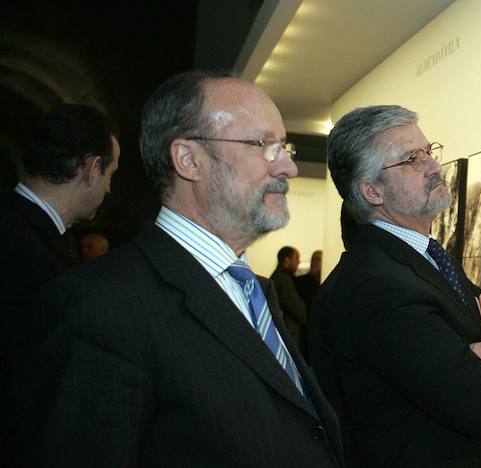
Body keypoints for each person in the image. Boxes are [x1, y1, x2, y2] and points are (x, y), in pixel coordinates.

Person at [33, 70, 343, 466]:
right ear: (188, 159)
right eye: (264, 144)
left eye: (285, 147)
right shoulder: (101, 305)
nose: (288, 167)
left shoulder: (254, 289)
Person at [310, 105, 481, 467]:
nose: (434, 167)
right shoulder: (377, 287)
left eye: (430, 152)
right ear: (372, 191)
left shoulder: (424, 259)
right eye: (412, 160)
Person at [0, 104, 119, 465]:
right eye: (111, 173)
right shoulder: (22, 246)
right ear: (89, 168)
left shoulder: (20, 226)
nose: (110, 189)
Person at [271, 245, 307, 348]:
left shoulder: (278, 276)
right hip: (289, 331)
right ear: (287, 260)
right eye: (296, 258)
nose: (299, 262)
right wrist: (305, 317)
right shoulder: (283, 279)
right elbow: (296, 307)